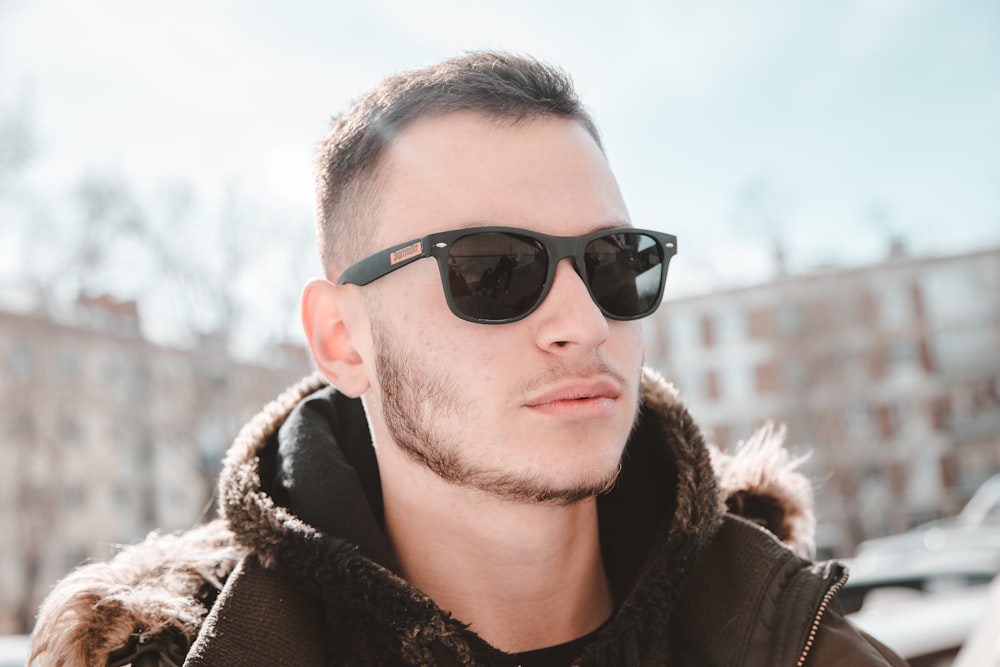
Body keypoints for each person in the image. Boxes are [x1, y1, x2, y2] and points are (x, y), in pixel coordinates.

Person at [29, 51, 907, 666]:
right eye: (493, 270)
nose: (584, 322)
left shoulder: (799, 640)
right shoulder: (170, 654)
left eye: (615, 263)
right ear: (342, 338)